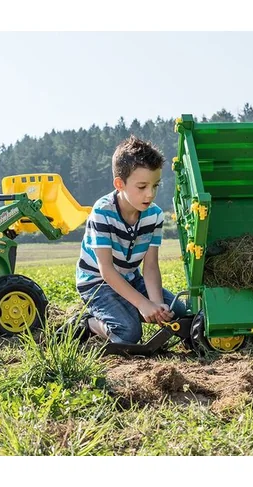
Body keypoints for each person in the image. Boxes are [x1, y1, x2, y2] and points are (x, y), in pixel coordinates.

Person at [59, 135, 186, 349]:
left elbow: (151, 266)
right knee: (128, 333)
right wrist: (142, 304)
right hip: (97, 283)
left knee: (179, 313)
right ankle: (87, 324)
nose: (150, 194)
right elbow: (106, 270)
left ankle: (126, 310)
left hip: (130, 279)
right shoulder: (102, 212)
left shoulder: (154, 215)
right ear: (120, 184)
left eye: (155, 185)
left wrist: (155, 304)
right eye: (142, 187)